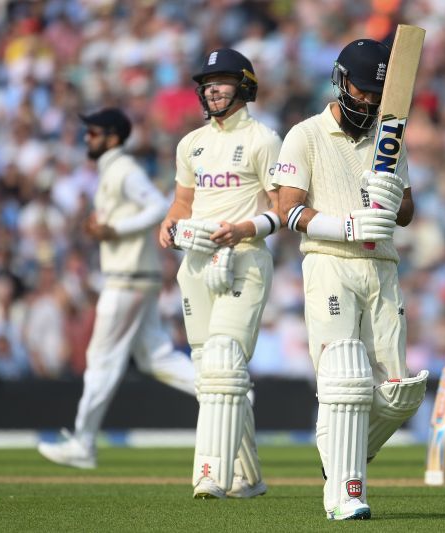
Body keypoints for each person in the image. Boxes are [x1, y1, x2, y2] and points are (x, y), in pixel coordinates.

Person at [273, 38, 429, 520]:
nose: (367, 102)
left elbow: (405, 212)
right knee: (345, 380)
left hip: (382, 267)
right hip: (328, 260)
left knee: (400, 391)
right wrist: (347, 225)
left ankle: (341, 460)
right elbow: (286, 209)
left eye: (375, 96)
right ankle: (346, 494)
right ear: (341, 82)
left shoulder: (389, 138)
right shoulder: (305, 134)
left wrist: (389, 194)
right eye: (360, 91)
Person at [37, 108, 196, 469]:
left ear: (112, 136)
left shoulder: (123, 169)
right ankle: (225, 392)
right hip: (134, 278)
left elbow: (158, 206)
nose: (86, 138)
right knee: (156, 358)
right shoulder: (112, 170)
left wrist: (115, 230)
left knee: (101, 361)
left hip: (127, 281)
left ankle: (83, 442)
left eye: (93, 132)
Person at [157, 48, 282, 499]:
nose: (212, 89)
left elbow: (282, 208)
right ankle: (248, 478)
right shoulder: (190, 143)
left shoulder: (264, 140)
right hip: (195, 261)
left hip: (243, 258)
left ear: (245, 85)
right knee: (208, 371)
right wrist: (168, 224)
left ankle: (211, 474)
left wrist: (246, 228)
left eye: (222, 81)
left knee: (225, 362)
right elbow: (183, 203)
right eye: (207, 83)